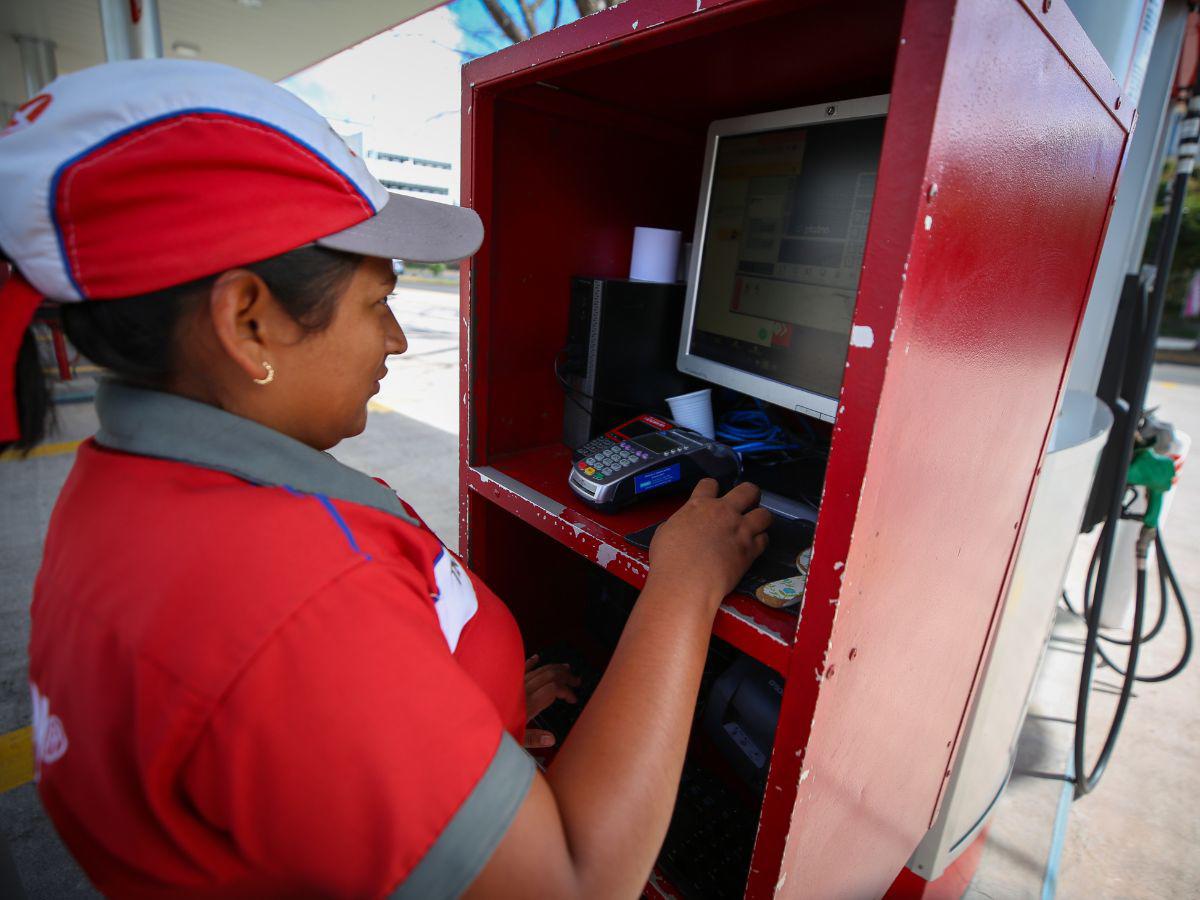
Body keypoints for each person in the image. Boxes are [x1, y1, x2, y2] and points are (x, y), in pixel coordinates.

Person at [0, 60, 771, 898]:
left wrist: (439, 718)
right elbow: (575, 885)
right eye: (378, 303)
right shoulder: (301, 601)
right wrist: (685, 585)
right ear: (247, 321)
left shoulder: (118, 486)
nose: (399, 341)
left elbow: (276, 733)